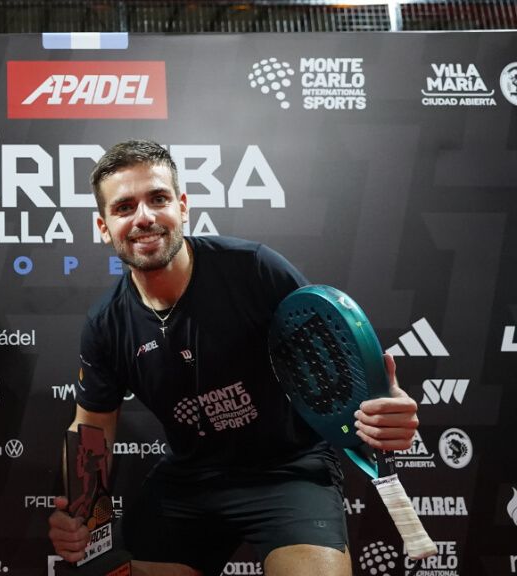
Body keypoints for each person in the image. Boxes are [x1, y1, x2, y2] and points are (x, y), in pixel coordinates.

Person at [47, 140, 419, 576]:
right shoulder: (106, 324)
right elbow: (92, 425)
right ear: (104, 227)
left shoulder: (255, 270)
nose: (144, 217)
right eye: (124, 207)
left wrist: (380, 409)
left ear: (182, 207)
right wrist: (82, 508)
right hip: (190, 480)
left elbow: (335, 368)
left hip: (288, 471)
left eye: (158, 199)